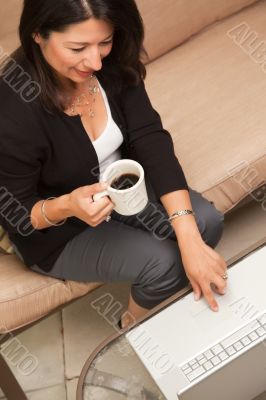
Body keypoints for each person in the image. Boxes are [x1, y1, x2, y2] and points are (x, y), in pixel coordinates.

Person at [0, 0, 227, 329]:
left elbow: (149, 137)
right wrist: (66, 206)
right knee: (163, 262)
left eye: (103, 42)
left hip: (120, 186)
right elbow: (17, 213)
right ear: (38, 34)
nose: (94, 61)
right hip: (57, 228)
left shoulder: (114, 59)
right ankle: (131, 327)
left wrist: (189, 237)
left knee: (204, 223)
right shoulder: (12, 113)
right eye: (77, 47)